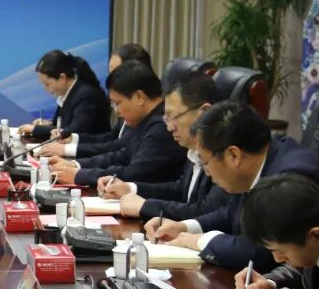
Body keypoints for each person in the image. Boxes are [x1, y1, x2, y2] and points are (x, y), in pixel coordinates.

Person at [149, 100, 319, 271]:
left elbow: (259, 252)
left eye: (205, 162)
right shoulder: (260, 164)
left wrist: (197, 241)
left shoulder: (289, 178)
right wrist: (184, 227)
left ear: (233, 155)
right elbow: (232, 213)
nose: (206, 172)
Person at [98, 72, 228, 220]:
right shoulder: (194, 149)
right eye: (167, 118)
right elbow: (181, 190)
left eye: (174, 117)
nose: (169, 127)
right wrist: (130, 188)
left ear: (203, 113)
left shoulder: (224, 154)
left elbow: (207, 212)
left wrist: (146, 206)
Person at [49, 61, 185, 186]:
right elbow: (121, 157)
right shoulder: (146, 120)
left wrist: (80, 176)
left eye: (117, 103)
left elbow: (133, 173)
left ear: (139, 97)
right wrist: (75, 165)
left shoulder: (161, 127)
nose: (116, 111)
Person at [37, 43, 152, 159]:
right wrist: (73, 139)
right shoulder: (128, 105)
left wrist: (68, 151)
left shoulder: (87, 95)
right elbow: (112, 137)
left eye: (115, 73)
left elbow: (119, 147)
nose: (111, 78)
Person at [17, 50, 109, 139]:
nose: (46, 89)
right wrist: (46, 125)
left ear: (62, 78)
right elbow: (60, 127)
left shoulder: (86, 96)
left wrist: (35, 129)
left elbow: (72, 133)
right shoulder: (68, 93)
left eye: (47, 84)